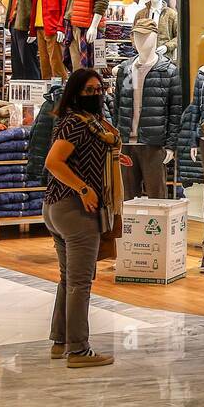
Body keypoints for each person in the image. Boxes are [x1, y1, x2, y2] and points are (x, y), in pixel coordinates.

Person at [41, 68, 125, 368]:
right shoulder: (76, 124)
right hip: (75, 210)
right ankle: (78, 350)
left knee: (69, 280)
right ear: (75, 93)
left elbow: (86, 155)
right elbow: (53, 162)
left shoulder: (83, 122)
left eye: (99, 89)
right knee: (80, 283)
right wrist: (84, 189)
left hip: (58, 208)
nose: (96, 94)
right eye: (89, 90)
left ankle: (60, 341)